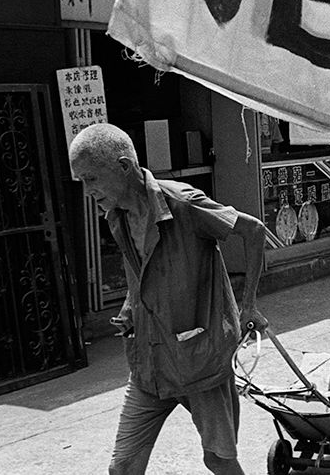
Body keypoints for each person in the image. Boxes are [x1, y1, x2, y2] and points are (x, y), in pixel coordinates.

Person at [68, 123, 267, 474]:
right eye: (81, 182)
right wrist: (131, 306)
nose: (87, 191)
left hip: (199, 361)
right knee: (123, 467)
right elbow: (142, 270)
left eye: (91, 179)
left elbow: (252, 230)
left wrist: (249, 304)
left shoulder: (183, 203)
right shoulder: (116, 216)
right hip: (148, 363)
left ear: (124, 167)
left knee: (219, 460)